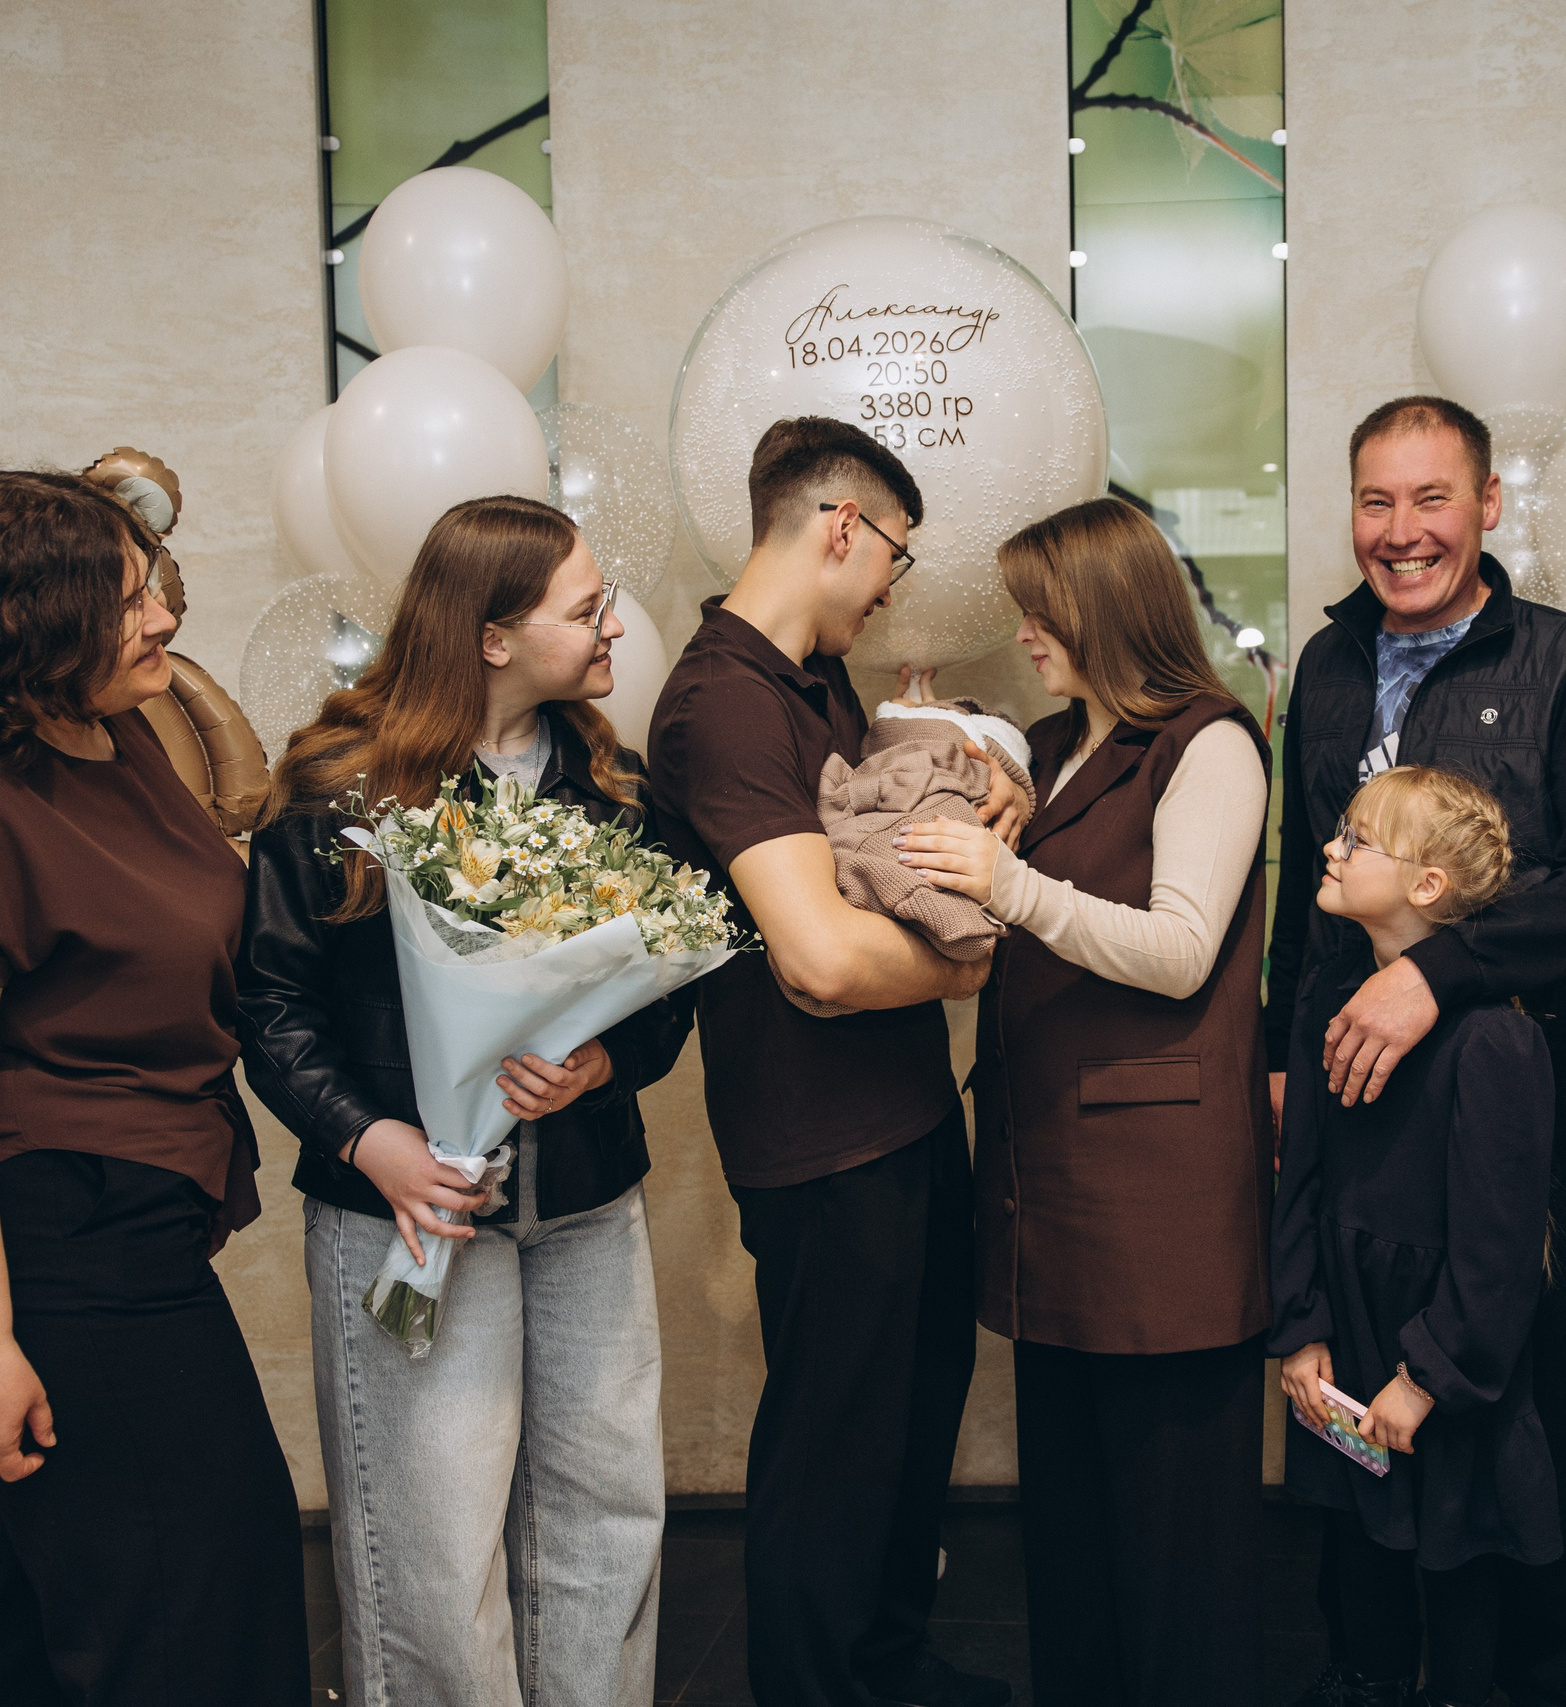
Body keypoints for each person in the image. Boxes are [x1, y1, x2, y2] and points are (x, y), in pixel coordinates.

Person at [0, 470, 307, 1704]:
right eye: (129, 600)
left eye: (153, 588)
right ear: (27, 621)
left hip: (127, 1213)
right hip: (50, 1242)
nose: (164, 619)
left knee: (34, 1617)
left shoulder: (110, 737)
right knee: (195, 1598)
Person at [238, 495, 693, 1707]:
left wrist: (606, 1062)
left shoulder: (614, 786)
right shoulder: (337, 789)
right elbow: (271, 1006)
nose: (612, 626)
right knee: (434, 1547)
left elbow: (669, 991)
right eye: (586, 608)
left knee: (608, 1515)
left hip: (588, 1205)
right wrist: (368, 1139)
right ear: (492, 637)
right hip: (411, 1211)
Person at [1264, 395, 1566, 1705]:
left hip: (1493, 1080)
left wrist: (1433, 976)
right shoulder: (1327, 665)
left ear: (1487, 504)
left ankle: (1532, 1673)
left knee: (1506, 1380)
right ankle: (1368, 1658)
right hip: (1342, 1079)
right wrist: (1279, 1054)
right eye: (1376, 500)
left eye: (1432, 498)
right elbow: (1298, 879)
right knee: (1356, 1374)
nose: (1402, 530)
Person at [645, 417, 1027, 1707]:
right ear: (843, 526)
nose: (890, 589)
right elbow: (816, 957)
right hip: (815, 1134)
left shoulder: (814, 680)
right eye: (894, 558)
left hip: (900, 1107)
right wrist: (972, 967)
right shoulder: (722, 700)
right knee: (833, 1443)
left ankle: (886, 1666)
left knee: (910, 1420)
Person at [893, 496, 1274, 1707]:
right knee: (1071, 1535)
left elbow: (1179, 953)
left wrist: (1010, 885)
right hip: (1047, 1189)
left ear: (1106, 610)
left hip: (1161, 1206)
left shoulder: (1209, 744)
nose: (1023, 633)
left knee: (1176, 1549)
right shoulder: (1052, 747)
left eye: (1040, 612)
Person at [1270, 765, 1560, 1707]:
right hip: (1349, 1323)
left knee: (1455, 1545)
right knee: (1361, 1530)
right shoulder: (1329, 995)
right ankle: (1370, 1676)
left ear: (1428, 884)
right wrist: (1302, 1324)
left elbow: (1499, 1249)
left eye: (1357, 840)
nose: (1331, 848)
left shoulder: (1496, 1041)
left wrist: (1430, 1373)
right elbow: (1300, 1178)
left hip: (1443, 1349)